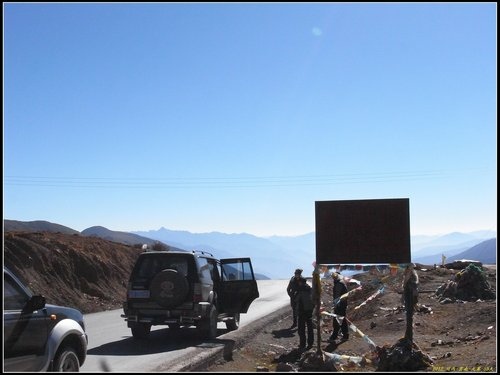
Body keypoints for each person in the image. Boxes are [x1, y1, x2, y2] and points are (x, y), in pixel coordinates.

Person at [328, 272, 349, 342]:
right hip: (343, 304)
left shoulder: (338, 284)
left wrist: (336, 305)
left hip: (339, 305)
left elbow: (337, 296)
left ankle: (334, 336)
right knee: (342, 320)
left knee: (336, 320)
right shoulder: (341, 283)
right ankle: (345, 335)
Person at [295, 276, 315, 350]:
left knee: (301, 329)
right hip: (309, 311)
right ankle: (310, 343)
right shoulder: (310, 289)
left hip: (302, 311)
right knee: (310, 328)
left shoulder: (300, 290)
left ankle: (302, 344)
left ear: (300, 282)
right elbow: (314, 300)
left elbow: (296, 299)